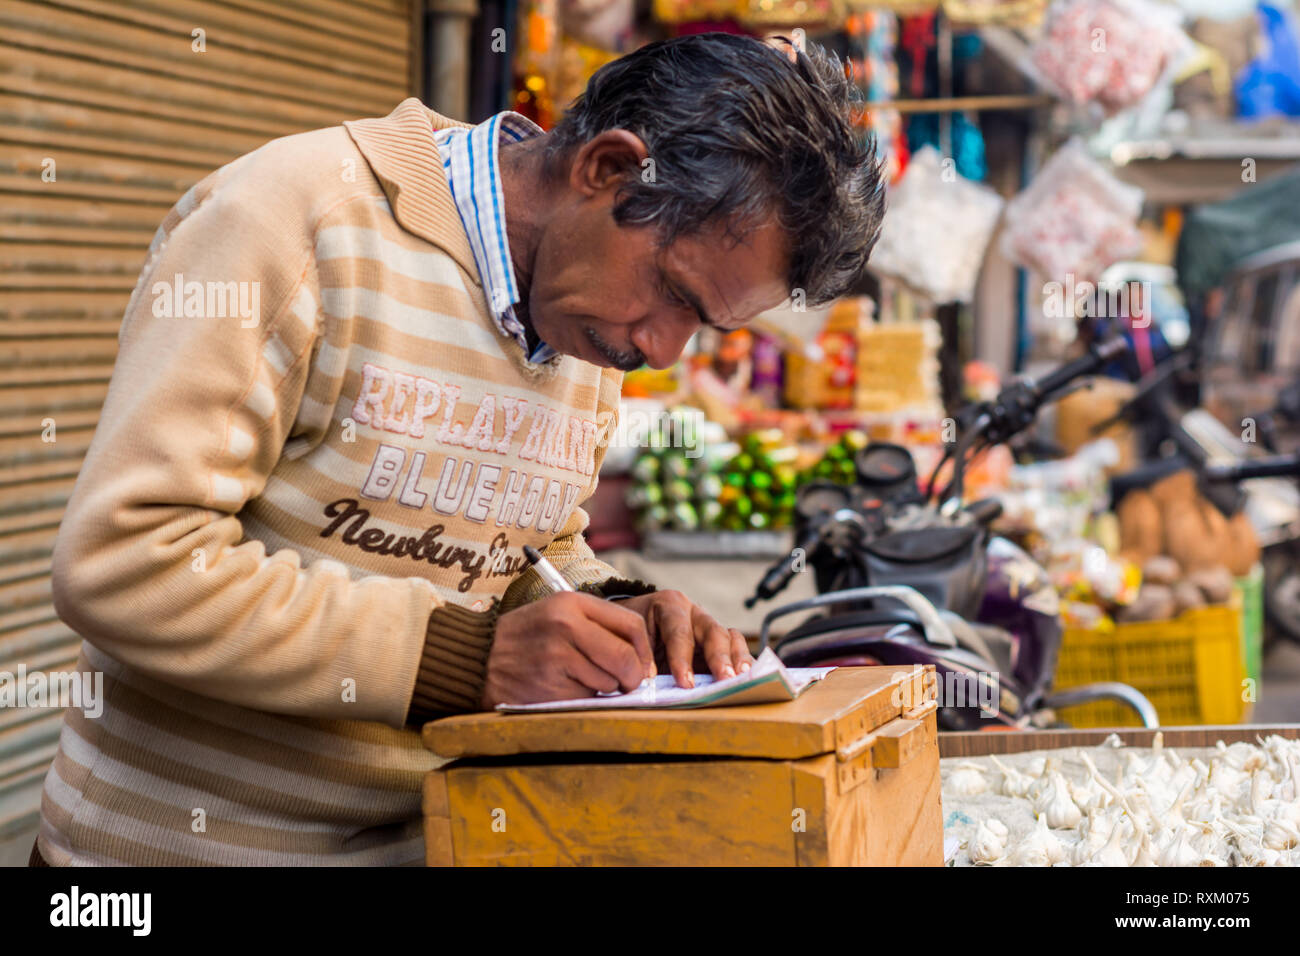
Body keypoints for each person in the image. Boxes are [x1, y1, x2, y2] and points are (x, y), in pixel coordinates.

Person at [33, 32, 885, 866]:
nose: (665, 351)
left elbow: (523, 545)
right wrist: (463, 659)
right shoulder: (295, 221)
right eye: (676, 295)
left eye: (704, 324)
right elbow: (125, 559)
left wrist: (618, 610)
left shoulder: (588, 316)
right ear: (610, 171)